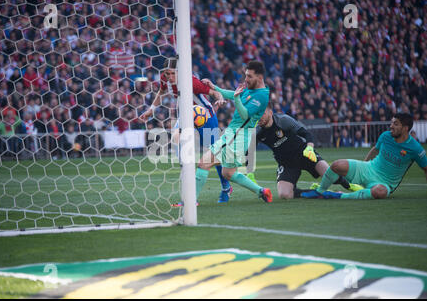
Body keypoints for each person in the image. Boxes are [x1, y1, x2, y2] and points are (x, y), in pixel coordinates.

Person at [138, 58, 233, 203]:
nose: (169, 77)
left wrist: (219, 99)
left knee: (215, 154)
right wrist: (151, 110)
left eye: (172, 73)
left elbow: (214, 92)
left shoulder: (191, 81)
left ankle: (226, 186)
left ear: (179, 71)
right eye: (167, 74)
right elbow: (161, 92)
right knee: (178, 143)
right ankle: (189, 196)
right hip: (186, 115)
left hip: (205, 116)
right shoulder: (165, 78)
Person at [194, 60, 272, 203]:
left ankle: (190, 202)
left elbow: (245, 115)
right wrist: (215, 87)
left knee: (203, 163)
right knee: (228, 173)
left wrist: (236, 98)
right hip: (238, 136)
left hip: (236, 136)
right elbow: (232, 94)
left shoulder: (261, 96)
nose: (246, 79)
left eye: (249, 76)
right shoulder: (252, 88)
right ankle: (261, 191)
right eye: (245, 75)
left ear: (260, 78)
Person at [246, 106, 363, 199]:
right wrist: (249, 173)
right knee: (285, 195)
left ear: (270, 112)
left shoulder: (283, 120)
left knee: (329, 174)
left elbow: (307, 134)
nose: (259, 117)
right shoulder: (257, 132)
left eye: (262, 113)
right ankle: (316, 192)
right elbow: (249, 152)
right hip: (287, 164)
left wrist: (310, 148)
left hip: (304, 154)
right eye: (256, 115)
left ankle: (349, 185)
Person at [302, 113, 427, 199]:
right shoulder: (386, 136)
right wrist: (364, 164)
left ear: (405, 128)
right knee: (336, 165)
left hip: (384, 182)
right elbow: (375, 149)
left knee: (380, 192)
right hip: (369, 168)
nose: (391, 126)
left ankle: (339, 195)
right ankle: (319, 192)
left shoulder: (415, 148)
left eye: (396, 124)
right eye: (392, 123)